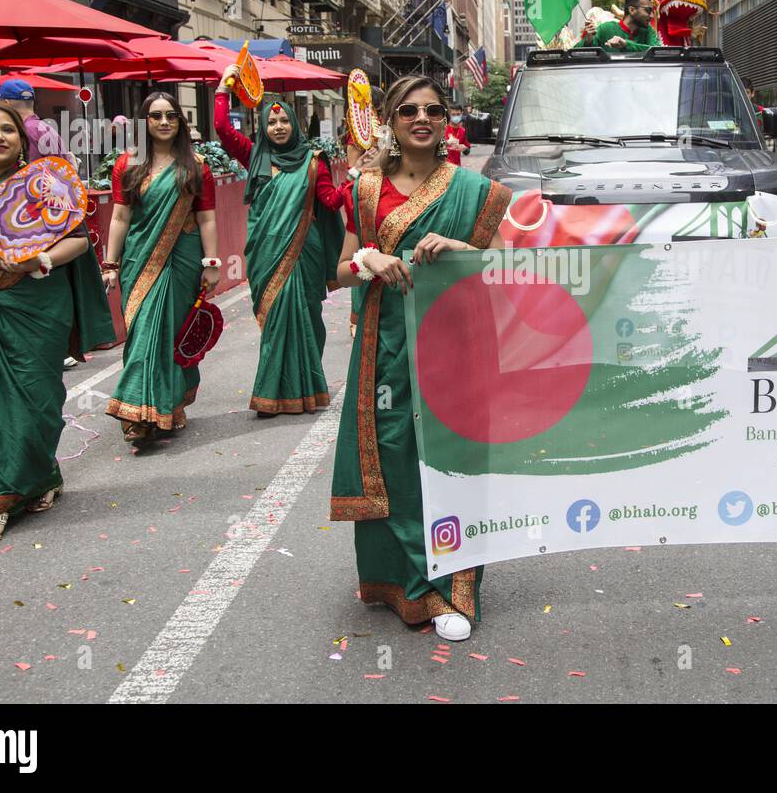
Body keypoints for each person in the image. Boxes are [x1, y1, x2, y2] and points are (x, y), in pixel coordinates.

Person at [330, 75, 511, 642]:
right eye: (408, 110)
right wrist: (369, 260)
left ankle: (451, 589)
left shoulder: (471, 189)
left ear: (447, 118)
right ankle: (397, 581)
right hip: (382, 347)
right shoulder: (363, 187)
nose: (421, 118)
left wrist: (462, 250)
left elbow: (504, 267)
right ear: (390, 118)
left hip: (451, 345)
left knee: (446, 457)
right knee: (390, 457)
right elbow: (338, 272)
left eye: (433, 109)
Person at [0, 101, 113, 543]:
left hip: (42, 304)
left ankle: (39, 475)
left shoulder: (44, 185)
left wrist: (39, 260)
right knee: (1, 405)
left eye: (7, 130)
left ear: (21, 138)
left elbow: (80, 243)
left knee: (39, 400)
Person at [214, 64, 346, 416]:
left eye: (284, 121)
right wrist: (223, 89)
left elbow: (331, 201)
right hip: (266, 254)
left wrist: (358, 177)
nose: (278, 127)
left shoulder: (314, 161)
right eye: (271, 123)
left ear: (295, 124)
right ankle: (272, 393)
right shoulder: (255, 156)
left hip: (305, 251)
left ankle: (306, 389)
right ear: (263, 128)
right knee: (275, 320)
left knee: (307, 317)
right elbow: (223, 129)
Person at [102, 93, 220, 446]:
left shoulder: (196, 165)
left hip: (183, 259)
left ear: (180, 122)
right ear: (145, 123)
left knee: (171, 334)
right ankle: (139, 408)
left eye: (171, 116)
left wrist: (212, 263)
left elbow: (207, 218)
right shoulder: (128, 164)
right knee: (142, 333)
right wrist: (110, 263)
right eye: (156, 116)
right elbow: (121, 217)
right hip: (139, 259)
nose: (164, 122)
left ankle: (160, 409)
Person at [0, 79, 78, 171]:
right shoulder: (46, 128)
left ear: (6, 103)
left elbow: (29, 174)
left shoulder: (27, 131)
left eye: (0, 105)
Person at [579, 0, 661, 53]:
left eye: (652, 12)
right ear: (632, 10)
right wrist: (588, 41)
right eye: (648, 11)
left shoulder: (648, 31)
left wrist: (626, 44)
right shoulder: (606, 29)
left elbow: (657, 51)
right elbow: (577, 55)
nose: (651, 16)